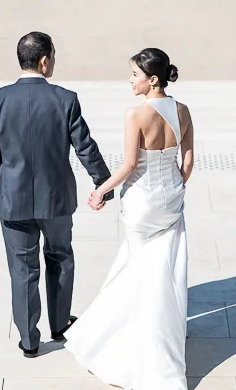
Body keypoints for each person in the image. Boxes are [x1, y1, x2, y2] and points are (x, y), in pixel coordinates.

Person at [65, 47, 195, 389]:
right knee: (164, 267)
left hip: (141, 203)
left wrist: (99, 191)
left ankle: (132, 337)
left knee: (138, 268)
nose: (130, 80)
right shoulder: (182, 110)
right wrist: (175, 184)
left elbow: (129, 165)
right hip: (171, 200)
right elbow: (189, 160)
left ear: (153, 80)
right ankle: (165, 330)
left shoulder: (135, 114)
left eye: (135, 75)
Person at [0, 31, 114, 358]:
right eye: (53, 56)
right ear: (44, 61)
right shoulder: (65, 98)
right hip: (56, 200)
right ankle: (59, 324)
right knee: (60, 259)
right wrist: (103, 183)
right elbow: (85, 147)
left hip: (12, 201)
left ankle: (29, 341)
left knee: (22, 269)